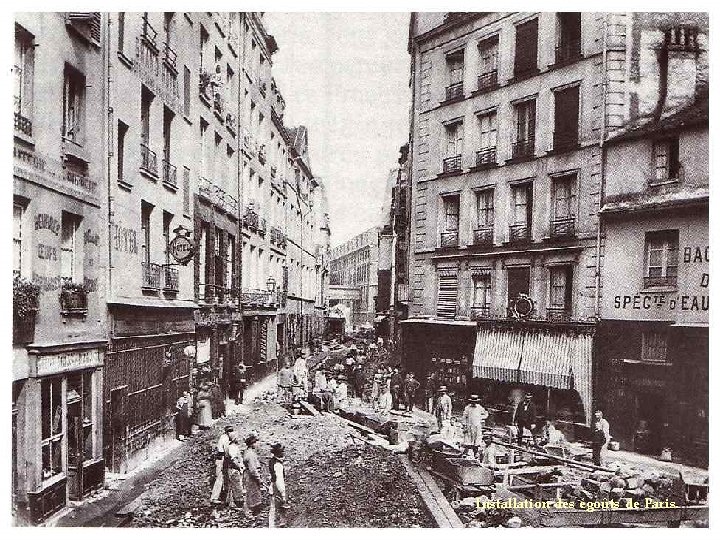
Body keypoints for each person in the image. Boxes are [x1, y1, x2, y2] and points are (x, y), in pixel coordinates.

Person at [210, 425, 234, 505]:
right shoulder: (225, 438)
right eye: (230, 431)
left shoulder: (224, 437)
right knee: (220, 478)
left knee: (224, 478)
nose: (231, 433)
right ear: (227, 432)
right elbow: (226, 452)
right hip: (221, 459)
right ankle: (214, 498)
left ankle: (224, 496)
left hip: (221, 458)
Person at [243, 434, 265, 518]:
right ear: (252, 444)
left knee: (254, 494)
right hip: (251, 477)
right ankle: (250, 513)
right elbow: (253, 470)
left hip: (250, 475)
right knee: (251, 494)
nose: (257, 444)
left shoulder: (248, 452)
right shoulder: (250, 454)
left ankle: (255, 513)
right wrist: (259, 479)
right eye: (255, 442)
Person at [268, 443, 289, 527]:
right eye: (282, 452)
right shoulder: (278, 464)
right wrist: (283, 494)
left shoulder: (272, 461)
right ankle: (276, 525)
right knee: (279, 507)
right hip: (277, 488)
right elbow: (279, 480)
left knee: (273, 508)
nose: (283, 453)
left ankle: (272, 525)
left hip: (273, 487)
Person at [224, 431, 245, 508]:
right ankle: (238, 503)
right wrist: (239, 467)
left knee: (233, 485)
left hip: (234, 468)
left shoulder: (233, 446)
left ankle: (230, 503)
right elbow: (233, 459)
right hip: (234, 469)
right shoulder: (232, 447)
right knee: (236, 485)